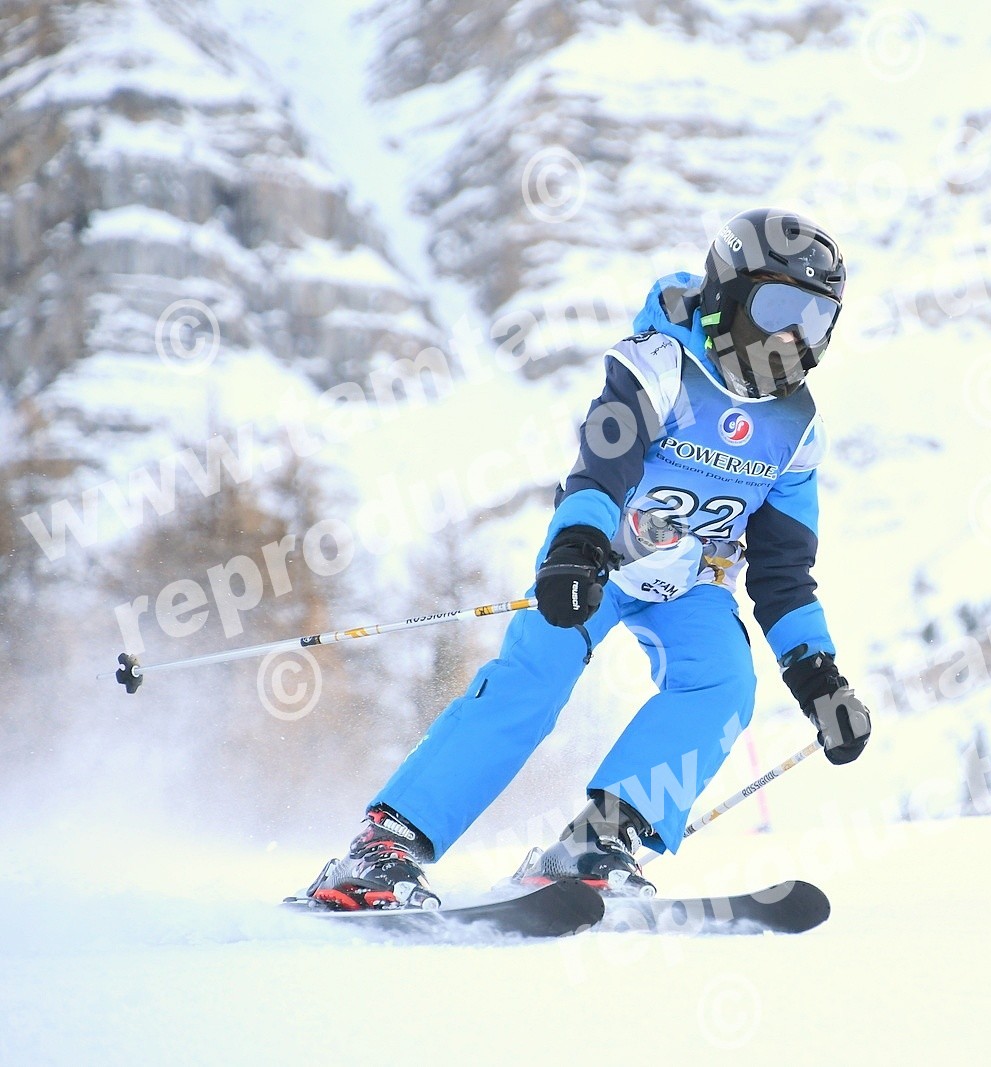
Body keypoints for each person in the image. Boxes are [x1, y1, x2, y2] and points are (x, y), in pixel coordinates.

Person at [304, 207, 872, 909]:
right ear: (727, 296)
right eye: (779, 309)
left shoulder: (797, 432)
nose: (793, 338)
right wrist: (575, 549)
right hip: (601, 556)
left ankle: (597, 843)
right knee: (534, 676)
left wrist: (818, 678)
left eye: (815, 320)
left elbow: (784, 574)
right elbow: (602, 467)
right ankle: (385, 846)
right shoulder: (659, 366)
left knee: (723, 683)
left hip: (693, 580)